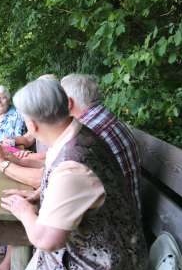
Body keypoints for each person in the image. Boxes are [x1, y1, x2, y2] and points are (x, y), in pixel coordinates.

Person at [1, 79, 147, 270]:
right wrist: (38, 195)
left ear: (32, 124)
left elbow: (48, 240)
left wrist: (24, 212)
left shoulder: (73, 164)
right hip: (90, 244)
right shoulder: (77, 131)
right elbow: (73, 189)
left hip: (108, 262)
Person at [61, 73, 142, 211]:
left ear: (69, 103)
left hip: (116, 220)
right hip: (126, 210)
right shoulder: (104, 117)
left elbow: (59, 182)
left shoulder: (87, 131)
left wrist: (10, 164)